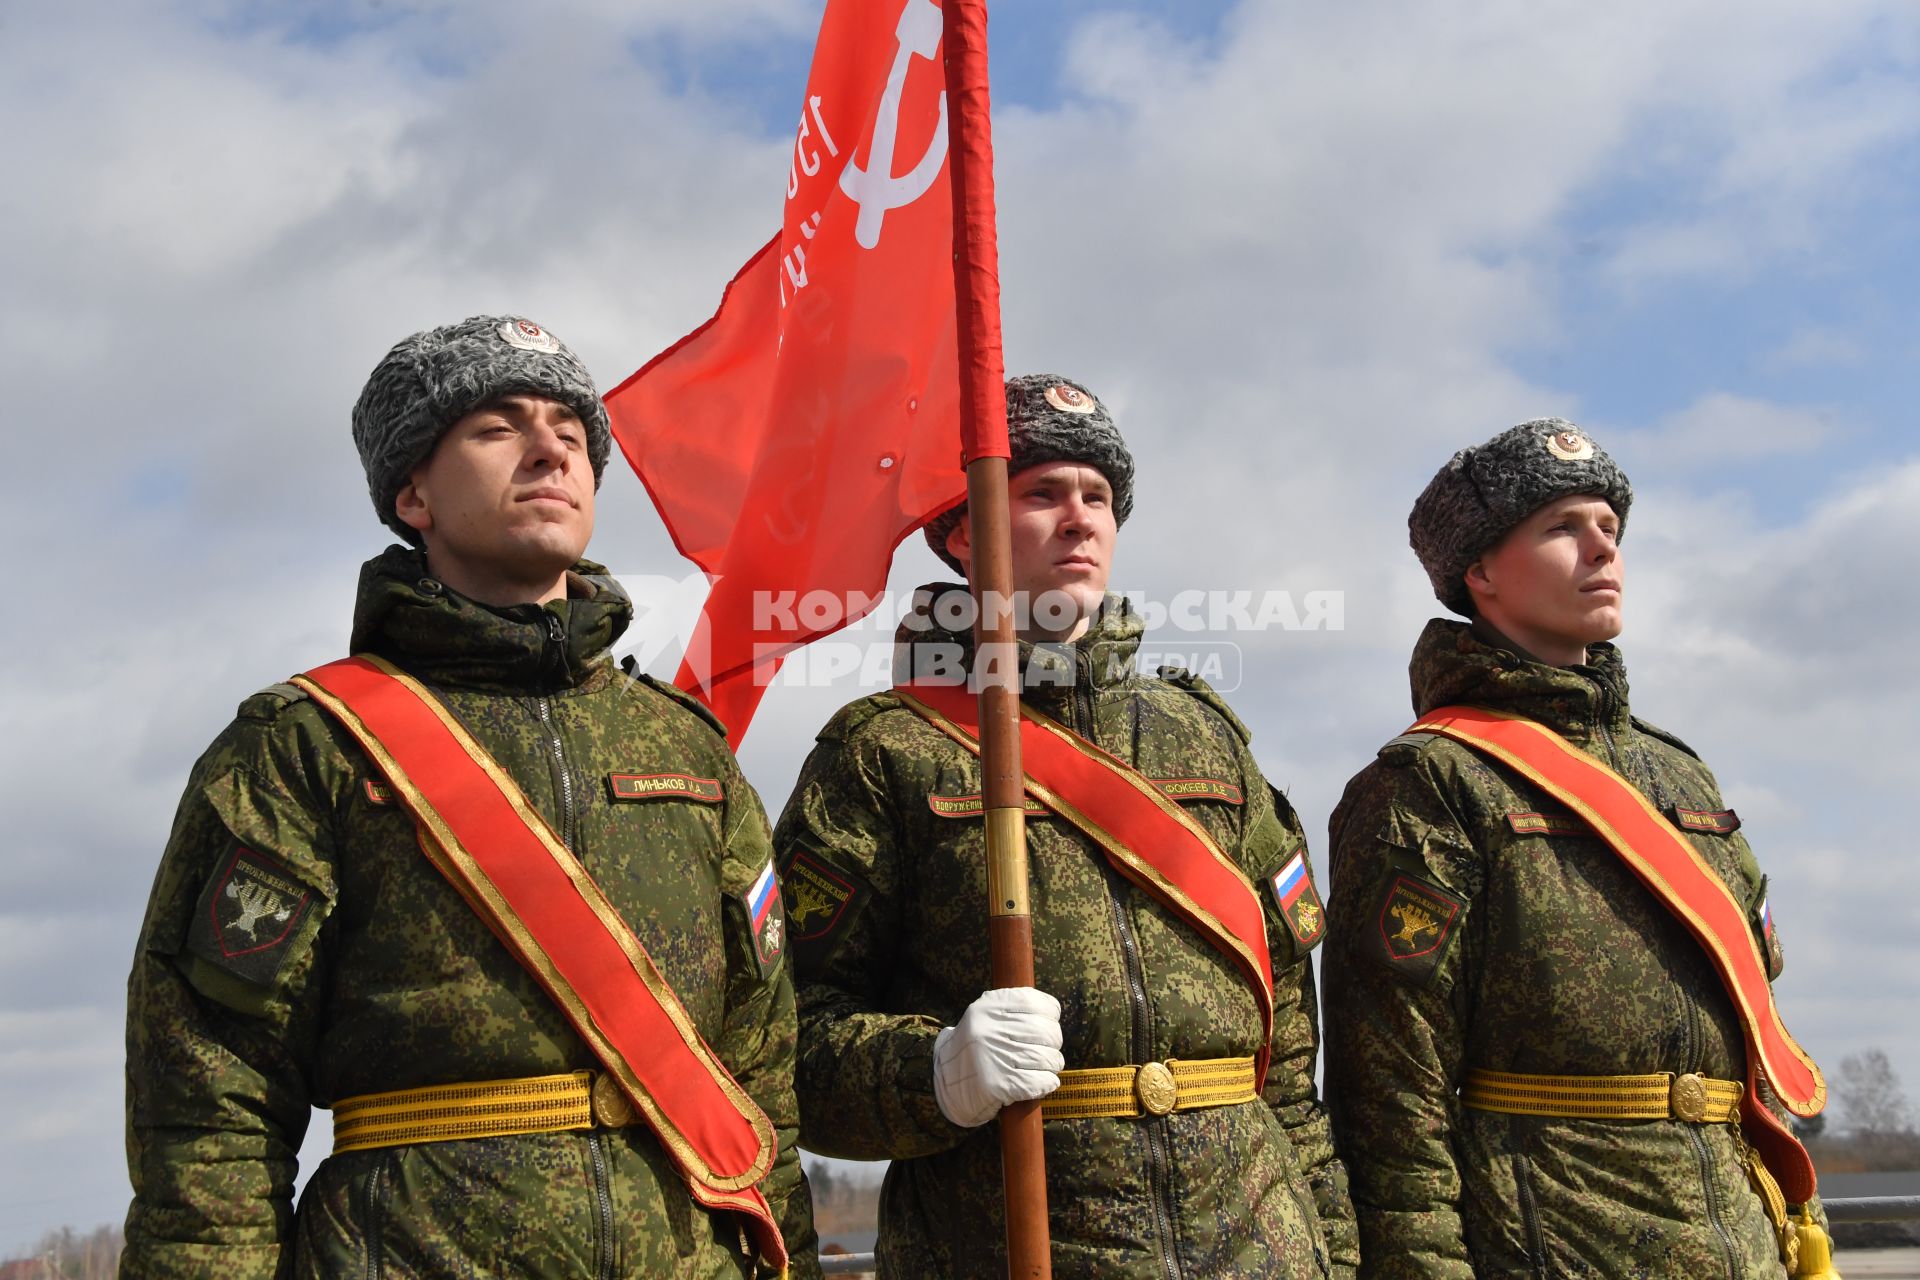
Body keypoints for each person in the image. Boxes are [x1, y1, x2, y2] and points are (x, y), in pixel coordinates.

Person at [122, 315, 817, 1278]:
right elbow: (209, 1093)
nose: (549, 452)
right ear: (414, 493)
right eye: (498, 429)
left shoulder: (687, 746)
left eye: (573, 436)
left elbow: (761, 1068)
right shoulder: (304, 746)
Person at [774, 374, 1357, 1278]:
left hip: (1260, 1248)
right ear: (961, 532)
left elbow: (1288, 1046)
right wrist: (934, 1074)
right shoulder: (881, 752)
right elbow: (787, 1048)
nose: (1081, 518)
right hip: (1010, 1245)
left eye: (1099, 497)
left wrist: (1334, 1247)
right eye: (1041, 492)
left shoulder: (1206, 736)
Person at [1322, 419, 1833, 1279]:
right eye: (1562, 528)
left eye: (1611, 528)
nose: (1602, 547)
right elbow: (1391, 1090)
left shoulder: (1681, 777)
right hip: (1550, 1241)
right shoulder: (1430, 783)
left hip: (1737, 1241)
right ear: (1479, 573)